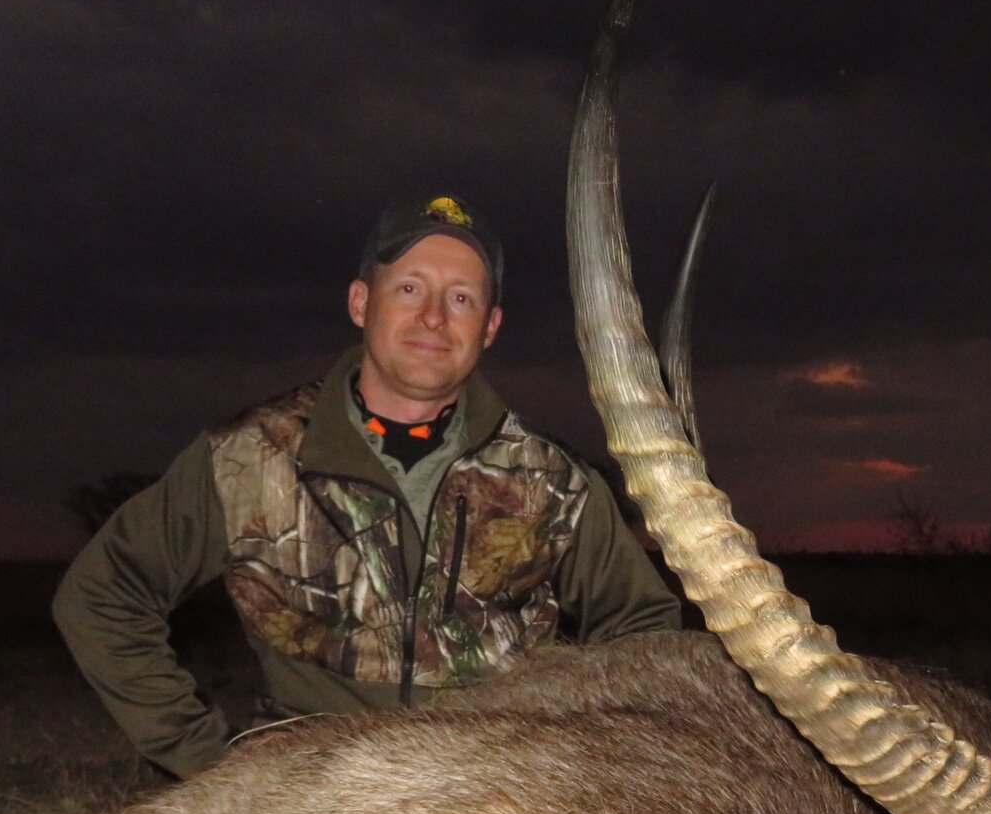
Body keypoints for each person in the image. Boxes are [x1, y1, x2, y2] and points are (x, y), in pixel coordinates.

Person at [54, 193, 682, 777]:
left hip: (496, 788)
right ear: (361, 303)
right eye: (410, 288)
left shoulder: (556, 482)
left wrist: (584, 755)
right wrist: (205, 759)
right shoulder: (246, 458)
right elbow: (103, 596)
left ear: (489, 327)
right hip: (310, 788)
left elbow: (644, 632)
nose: (434, 317)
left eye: (462, 298)